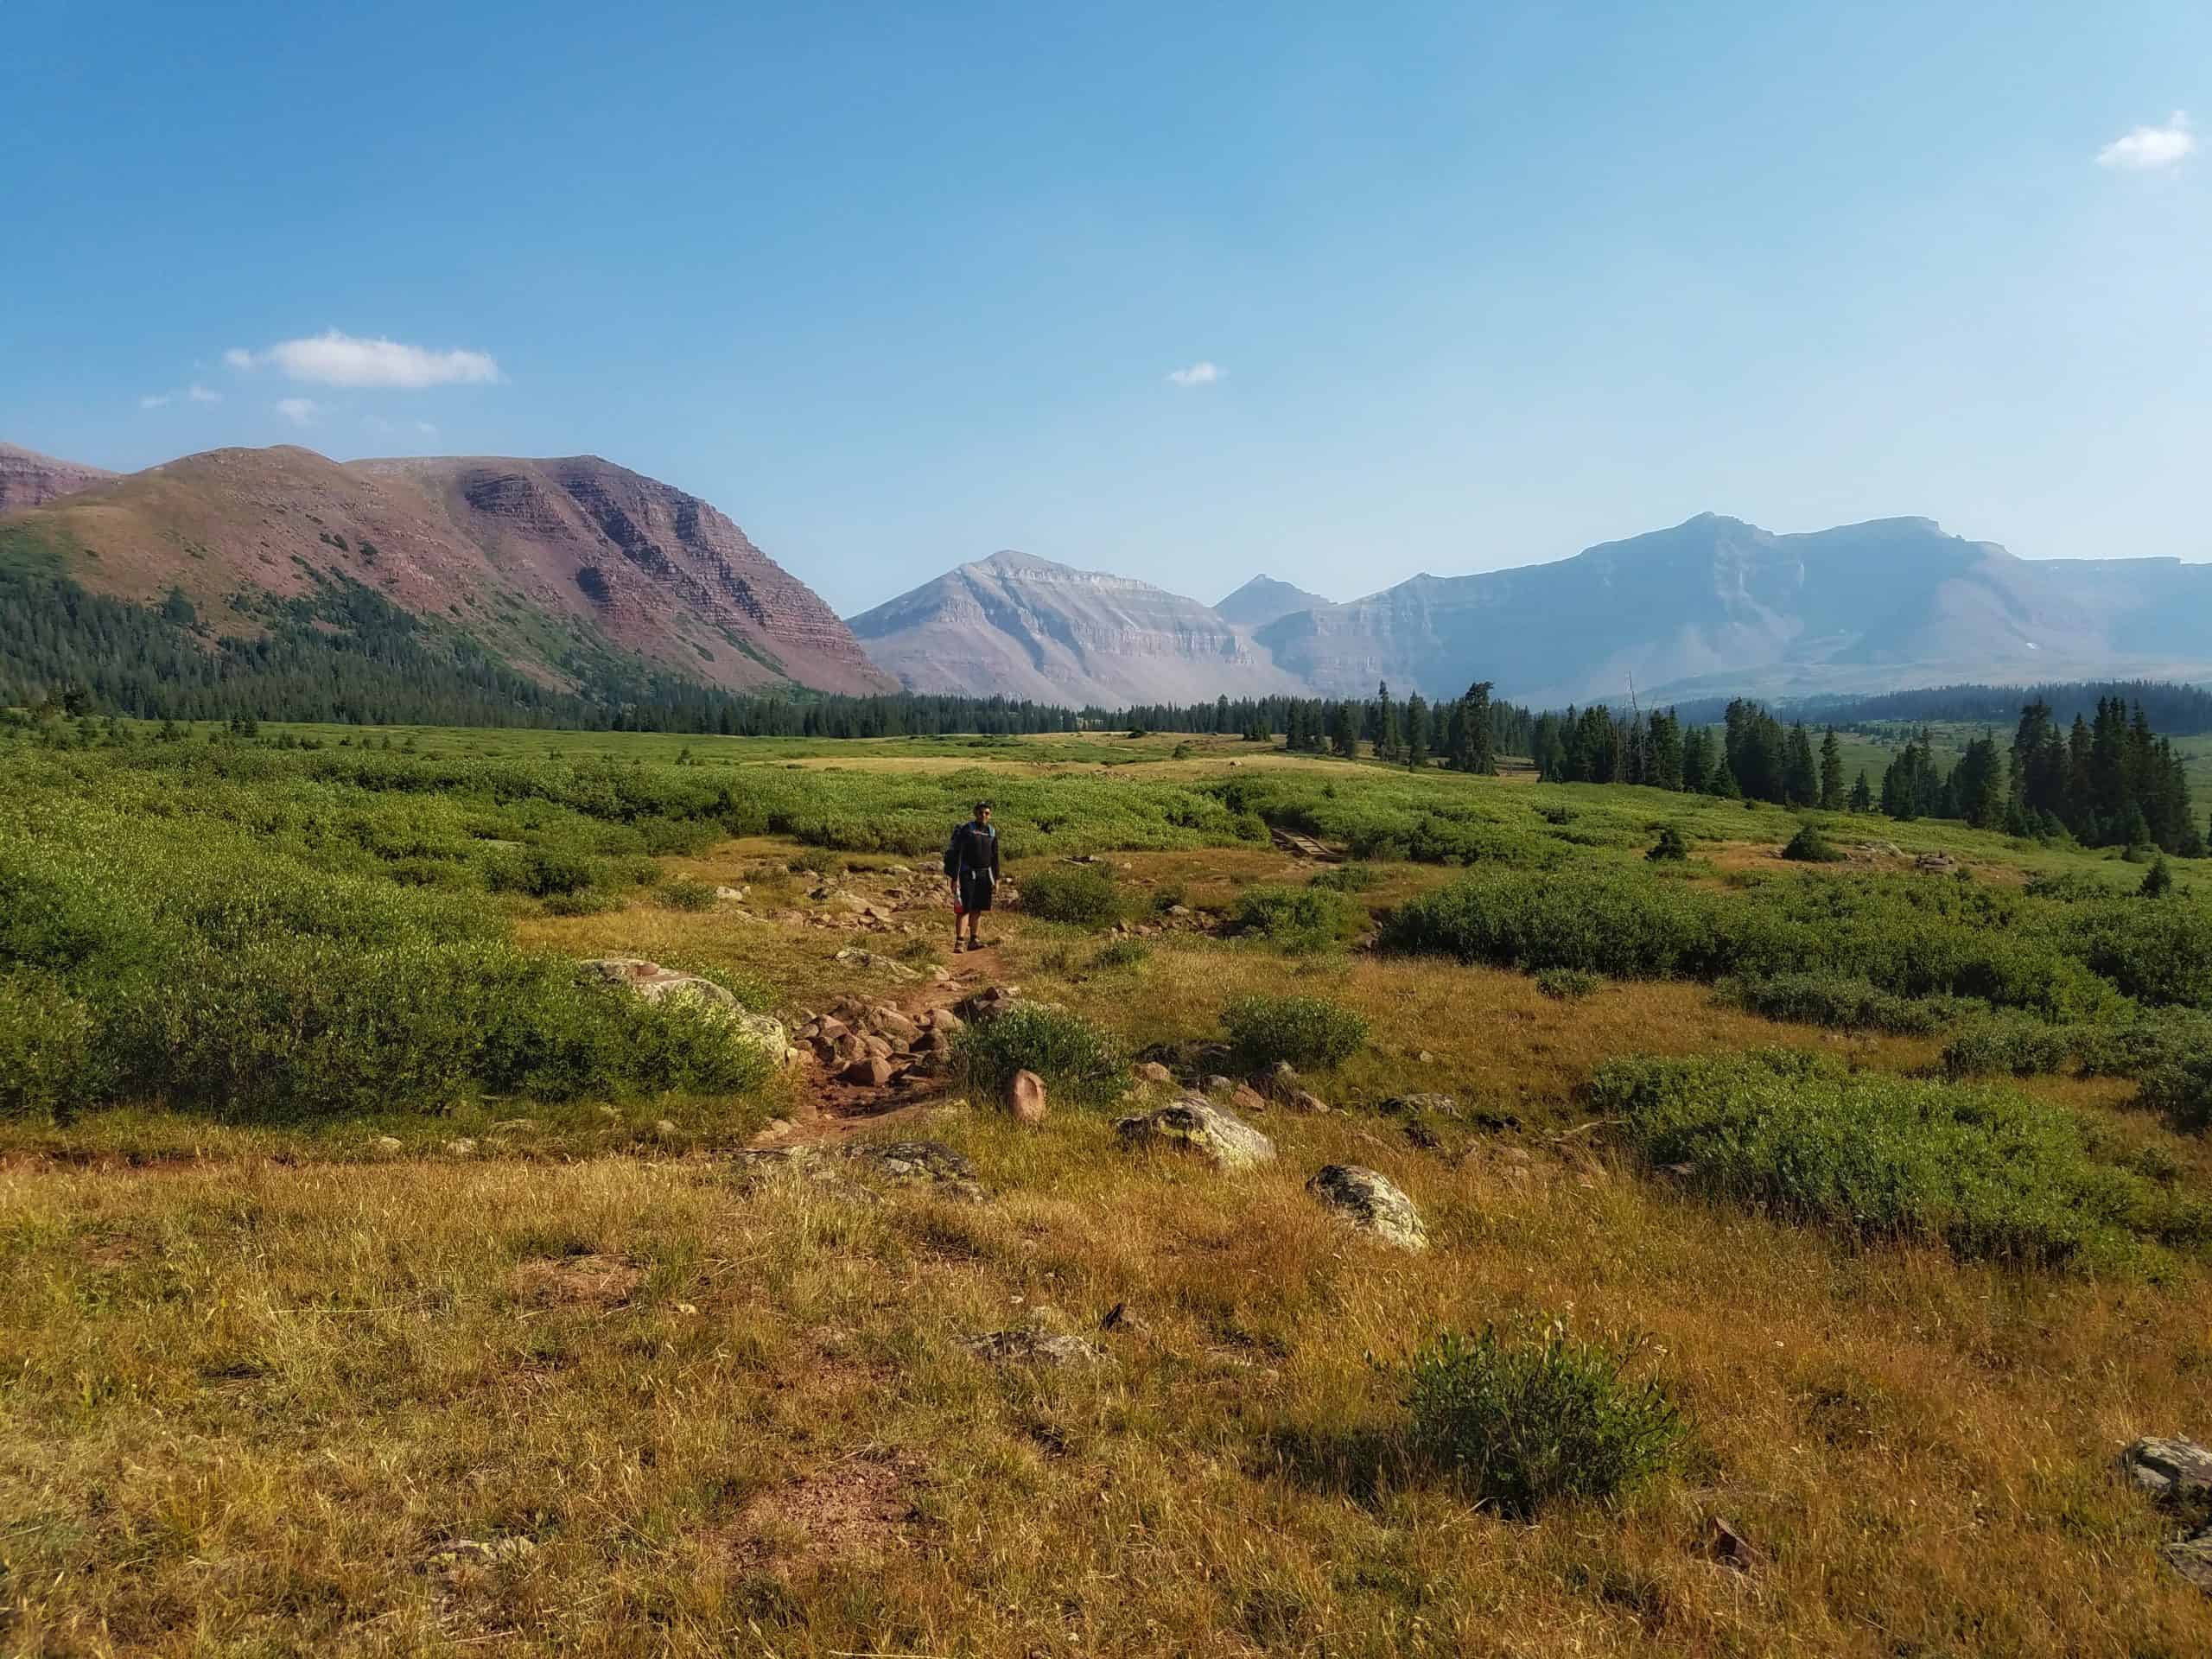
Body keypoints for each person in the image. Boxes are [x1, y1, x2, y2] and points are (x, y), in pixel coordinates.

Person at [944, 800, 999, 952]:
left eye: (986, 813)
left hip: (984, 875)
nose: (983, 815)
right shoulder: (967, 830)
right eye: (981, 812)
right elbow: (959, 854)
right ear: (975, 814)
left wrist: (996, 879)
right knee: (964, 909)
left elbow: (995, 858)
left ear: (990, 815)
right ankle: (959, 942)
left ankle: (974, 940)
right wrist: (955, 878)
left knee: (978, 909)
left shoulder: (991, 832)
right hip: (967, 874)